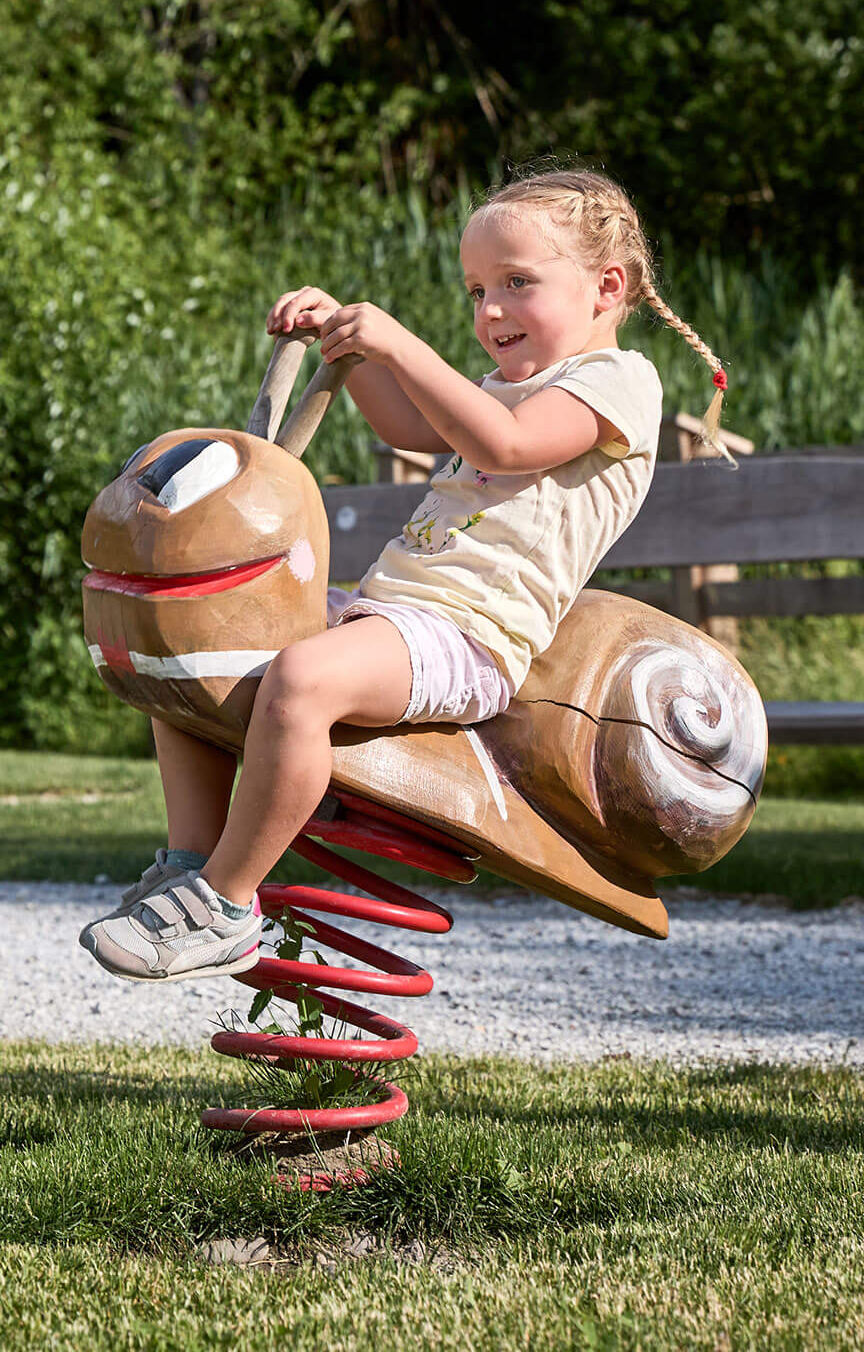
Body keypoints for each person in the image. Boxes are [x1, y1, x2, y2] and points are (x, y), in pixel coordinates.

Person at [79, 168, 728, 982]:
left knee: (302, 678)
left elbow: (505, 447)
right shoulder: (507, 387)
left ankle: (226, 904)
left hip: (468, 639)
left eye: (516, 283)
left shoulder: (616, 383)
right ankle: (189, 860)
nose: (491, 310)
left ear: (607, 286)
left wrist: (397, 340)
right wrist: (344, 344)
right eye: (478, 290)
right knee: (193, 648)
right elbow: (409, 424)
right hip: (393, 617)